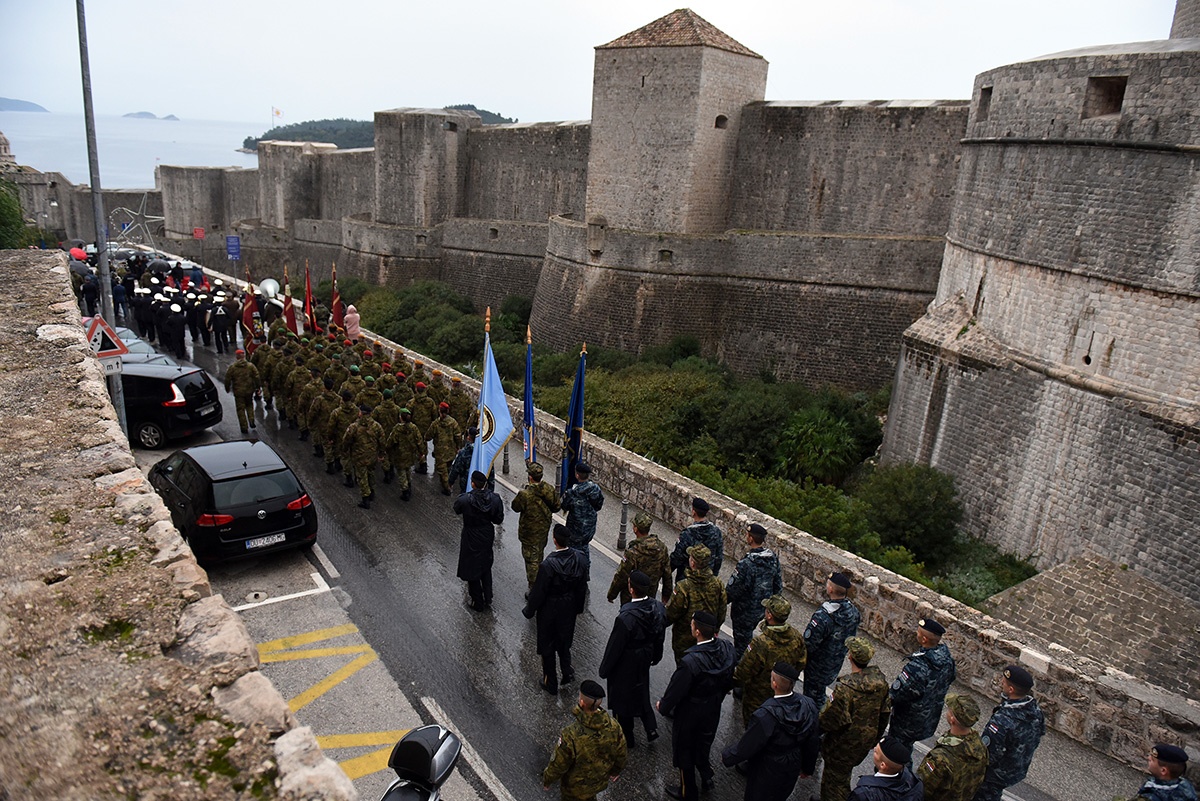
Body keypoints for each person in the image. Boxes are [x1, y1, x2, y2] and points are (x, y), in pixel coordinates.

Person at [657, 611, 736, 800]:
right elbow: (730, 676)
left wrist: (663, 706)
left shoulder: (690, 661)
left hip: (691, 712)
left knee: (685, 751)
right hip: (713, 707)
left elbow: (676, 690)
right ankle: (706, 776)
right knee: (704, 743)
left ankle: (688, 791)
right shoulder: (727, 648)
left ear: (697, 631)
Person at [720, 661, 820, 801]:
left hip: (767, 766)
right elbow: (813, 742)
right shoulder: (809, 705)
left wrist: (728, 756)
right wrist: (807, 768)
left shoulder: (766, 715)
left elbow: (749, 744)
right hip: (792, 763)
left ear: (774, 684)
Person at [598, 570, 667, 746]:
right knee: (642, 688)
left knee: (623, 700)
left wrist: (604, 669)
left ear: (631, 589)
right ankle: (650, 727)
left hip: (627, 662)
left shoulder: (626, 618)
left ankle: (626, 737)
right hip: (645, 656)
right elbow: (660, 635)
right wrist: (656, 655)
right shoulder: (658, 608)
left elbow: (615, 646)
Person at [819, 637, 892, 801]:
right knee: (842, 775)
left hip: (842, 743)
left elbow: (828, 719)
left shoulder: (845, 689)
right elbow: (885, 714)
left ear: (850, 656)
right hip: (864, 741)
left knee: (834, 783)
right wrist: (875, 737)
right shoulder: (881, 685)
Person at [523, 524, 588, 693]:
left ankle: (550, 682)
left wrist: (529, 610)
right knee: (564, 641)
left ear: (554, 540)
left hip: (550, 610)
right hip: (569, 606)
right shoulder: (580, 558)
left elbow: (539, 592)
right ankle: (567, 671)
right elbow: (582, 587)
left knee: (548, 647)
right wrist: (578, 607)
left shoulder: (548, 565)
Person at [541, 680, 627, 801]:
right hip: (597, 782)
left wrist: (547, 779)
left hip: (573, 789)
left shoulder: (571, 735)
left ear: (581, 702)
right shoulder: (614, 726)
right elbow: (621, 753)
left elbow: (559, 764)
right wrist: (616, 771)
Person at [972, 664, 1045, 801]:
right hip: (1016, 768)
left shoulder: (1002, 720)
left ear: (1011, 689)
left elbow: (987, 754)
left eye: (1004, 682)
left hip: (995, 775)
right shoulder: (1035, 711)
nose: (1001, 683)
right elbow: (1038, 735)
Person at [733, 595, 807, 727]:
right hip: (782, 693)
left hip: (756, 697)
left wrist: (733, 683)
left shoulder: (761, 643)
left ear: (769, 616)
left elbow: (744, 670)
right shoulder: (797, 637)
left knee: (753, 729)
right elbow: (801, 663)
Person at [889, 617, 957, 752]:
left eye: (918, 633)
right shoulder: (947, 661)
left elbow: (896, 695)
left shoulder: (918, 667)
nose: (916, 634)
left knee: (895, 753)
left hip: (907, 722)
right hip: (928, 720)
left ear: (924, 639)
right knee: (905, 749)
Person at [803, 571, 862, 708]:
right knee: (819, 693)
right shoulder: (853, 612)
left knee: (811, 699)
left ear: (830, 589)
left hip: (817, 666)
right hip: (835, 664)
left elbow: (809, 644)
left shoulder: (823, 616)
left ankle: (813, 723)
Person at [725, 522, 782, 660]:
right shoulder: (773, 558)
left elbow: (734, 589)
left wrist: (721, 601)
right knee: (749, 638)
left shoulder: (747, 563)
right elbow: (777, 585)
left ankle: (738, 670)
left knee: (740, 645)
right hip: (762, 609)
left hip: (744, 611)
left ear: (750, 539)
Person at [664, 544, 727, 665]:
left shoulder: (684, 587)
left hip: (684, 637)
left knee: (685, 667)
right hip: (707, 635)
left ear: (693, 563)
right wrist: (716, 628)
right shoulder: (718, 584)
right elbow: (722, 609)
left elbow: (671, 613)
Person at [918, 693, 988, 801]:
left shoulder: (940, 758)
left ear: (952, 719)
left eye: (949, 709)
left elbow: (921, 789)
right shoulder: (981, 749)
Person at [454, 470, 504, 611]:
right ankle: (488, 596)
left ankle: (477, 601)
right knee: (485, 563)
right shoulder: (495, 499)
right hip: (486, 533)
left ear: (473, 484)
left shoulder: (465, 499)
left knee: (471, 566)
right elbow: (498, 519)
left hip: (471, 533)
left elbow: (456, 508)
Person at [607, 511, 672, 606]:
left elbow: (622, 576)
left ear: (636, 529)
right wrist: (666, 595)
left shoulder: (632, 552)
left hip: (631, 597)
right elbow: (667, 573)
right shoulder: (662, 548)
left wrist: (612, 594)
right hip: (650, 594)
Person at [512, 462, 561, 589]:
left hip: (529, 532)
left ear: (530, 477)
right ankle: (540, 578)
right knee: (539, 554)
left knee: (531, 560)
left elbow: (515, 507)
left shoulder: (525, 494)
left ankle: (534, 587)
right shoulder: (549, 489)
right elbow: (556, 507)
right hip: (543, 529)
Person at [560, 462, 604, 579]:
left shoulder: (572, 493)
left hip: (575, 529)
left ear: (577, 475)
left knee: (573, 552)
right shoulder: (595, 489)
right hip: (589, 528)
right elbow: (599, 506)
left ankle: (573, 576)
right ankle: (585, 573)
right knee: (584, 548)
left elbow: (564, 506)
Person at [848, 736, 924, 801]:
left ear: (883, 765)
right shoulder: (915, 782)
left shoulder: (863, 794)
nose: (874, 749)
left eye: (876, 752)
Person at [340, 405, 384, 509]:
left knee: (362, 477)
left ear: (361, 413)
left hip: (359, 456)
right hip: (372, 455)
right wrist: (381, 453)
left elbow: (346, 440)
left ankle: (365, 499)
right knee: (371, 473)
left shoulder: (354, 427)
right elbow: (382, 441)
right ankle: (372, 492)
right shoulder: (377, 426)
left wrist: (345, 450)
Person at [669, 497, 723, 582]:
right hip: (706, 579)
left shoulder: (688, 533)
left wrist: (666, 572)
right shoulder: (716, 532)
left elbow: (677, 558)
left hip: (687, 580)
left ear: (694, 512)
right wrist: (713, 576)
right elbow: (718, 557)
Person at [1120, 744, 1196, 801]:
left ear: (1163, 771)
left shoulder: (1151, 797)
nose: (1148, 758)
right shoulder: (1185, 786)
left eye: (1153, 760)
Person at [385, 408, 423, 501]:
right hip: (411, 454)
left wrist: (386, 449)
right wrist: (422, 452)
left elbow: (390, 442)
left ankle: (405, 491)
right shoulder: (414, 428)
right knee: (408, 469)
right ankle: (409, 484)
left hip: (400, 454)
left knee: (401, 472)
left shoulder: (397, 429)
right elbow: (419, 441)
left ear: (401, 417)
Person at [427, 401, 462, 495]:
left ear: (439, 411)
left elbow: (428, 436)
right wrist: (458, 446)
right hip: (451, 450)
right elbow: (458, 436)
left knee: (442, 471)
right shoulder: (453, 422)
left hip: (440, 452)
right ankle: (448, 483)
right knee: (448, 467)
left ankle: (447, 488)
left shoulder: (436, 424)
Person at [223, 349, 260, 435]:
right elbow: (256, 376)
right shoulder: (250, 366)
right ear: (243, 356)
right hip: (249, 390)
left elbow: (227, 379)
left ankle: (244, 427)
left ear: (236, 357)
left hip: (238, 391)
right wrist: (258, 387)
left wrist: (227, 388)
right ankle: (251, 420)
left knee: (240, 409)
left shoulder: (232, 368)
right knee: (249, 405)